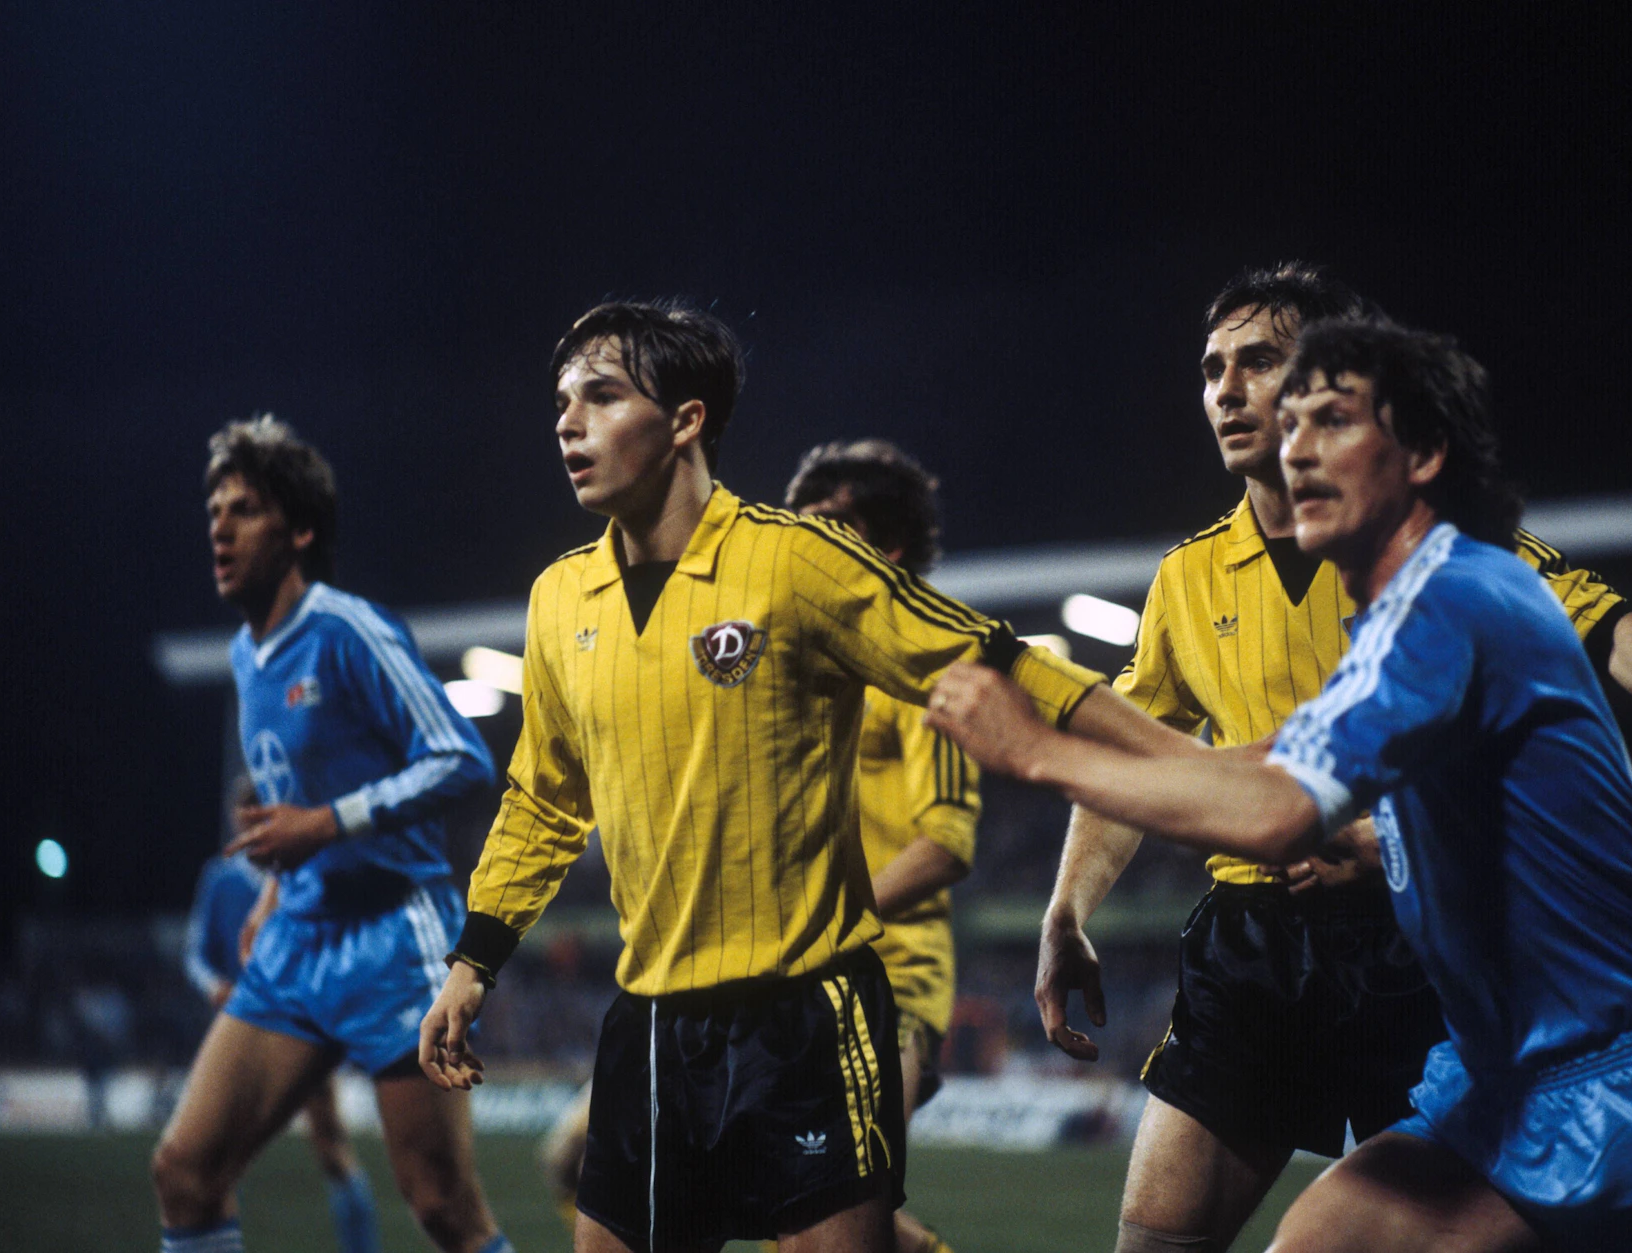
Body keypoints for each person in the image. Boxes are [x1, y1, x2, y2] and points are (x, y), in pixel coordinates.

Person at [927, 316, 1632, 1251]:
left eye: (1335, 420)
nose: (1299, 445)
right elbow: (1259, 766)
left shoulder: (1462, 595)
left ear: (1425, 452)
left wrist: (1032, 745)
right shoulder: (1378, 620)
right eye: (1296, 421)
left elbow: (1273, 808)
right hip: (1492, 1083)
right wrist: (1068, 868)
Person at [417, 300, 1153, 1253]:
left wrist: (1183, 761)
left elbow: (993, 659)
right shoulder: (559, 598)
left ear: (688, 419)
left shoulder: (794, 560)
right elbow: (544, 801)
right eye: (562, 400)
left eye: (601, 395)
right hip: (649, 1021)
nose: (568, 421)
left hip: (805, 1016)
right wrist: (473, 962)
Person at [152, 415, 511, 1253]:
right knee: (185, 1170)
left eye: (242, 508)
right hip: (297, 939)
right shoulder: (249, 653)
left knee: (441, 1206)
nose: (219, 524)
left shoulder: (347, 629)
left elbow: (462, 759)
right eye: (213, 509)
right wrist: (277, 887)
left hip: (394, 938)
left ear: (300, 529)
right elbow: (304, 795)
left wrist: (326, 823)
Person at [788, 438, 978, 1253]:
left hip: (888, 974)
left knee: (829, 1220)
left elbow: (945, 840)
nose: (803, 539)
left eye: (831, 523)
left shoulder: (928, 668)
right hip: (776, 970)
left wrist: (826, 919)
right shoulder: (783, 659)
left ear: (889, 547)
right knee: (575, 1156)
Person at [183, 833, 383, 1253]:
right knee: (207, 1160)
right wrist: (215, 987)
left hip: (302, 1028)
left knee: (330, 1145)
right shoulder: (221, 879)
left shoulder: (306, 873)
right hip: (243, 1029)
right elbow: (196, 954)